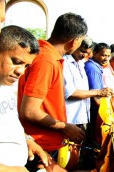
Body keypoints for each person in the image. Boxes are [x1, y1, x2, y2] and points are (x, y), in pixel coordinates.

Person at [17, 13, 87, 156]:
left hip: (41, 141)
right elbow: (30, 111)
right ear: (74, 41)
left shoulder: (46, 55)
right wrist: (65, 127)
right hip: (39, 144)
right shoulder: (46, 61)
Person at [0, 25, 50, 172]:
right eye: (16, 62)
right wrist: (5, 171)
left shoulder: (6, 84)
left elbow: (6, 122)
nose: (21, 71)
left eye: (26, 66)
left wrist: (26, 140)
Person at [63, 37, 113, 169]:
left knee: (77, 155)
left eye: (86, 52)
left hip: (81, 117)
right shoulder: (66, 63)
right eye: (81, 51)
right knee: (67, 157)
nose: (83, 55)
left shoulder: (79, 63)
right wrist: (98, 92)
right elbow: (71, 92)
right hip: (72, 119)